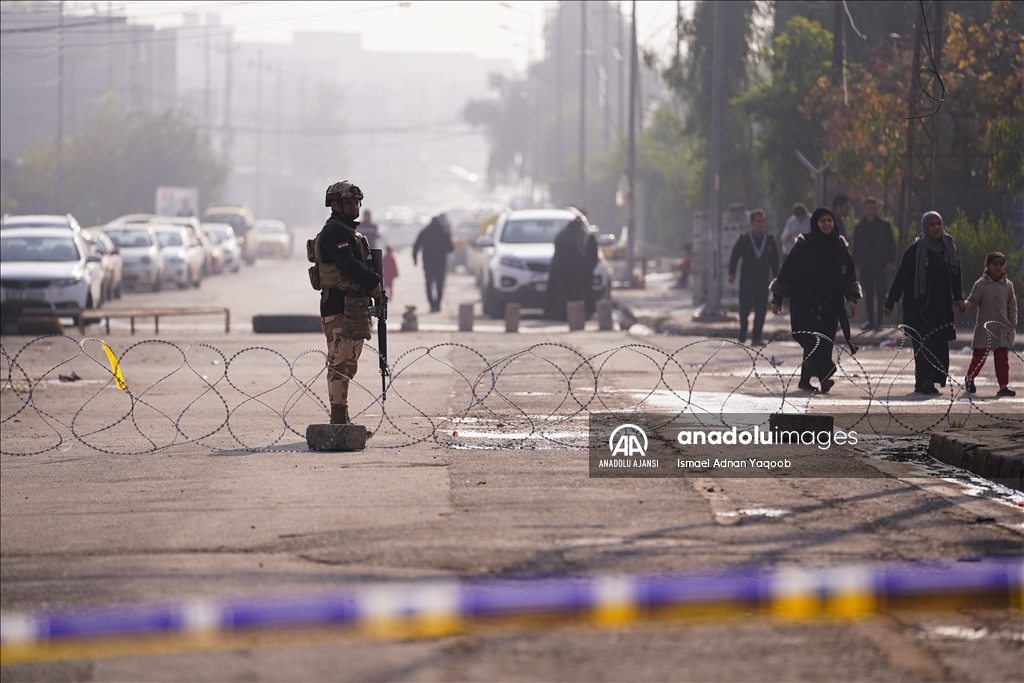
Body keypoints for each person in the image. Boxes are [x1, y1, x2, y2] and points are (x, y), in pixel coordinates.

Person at [312, 180, 382, 425]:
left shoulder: (349, 233)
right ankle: (339, 421)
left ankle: (341, 419)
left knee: (347, 361)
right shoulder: (335, 233)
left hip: (352, 306)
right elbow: (348, 265)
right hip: (339, 307)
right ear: (334, 205)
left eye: (356, 203)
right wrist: (374, 281)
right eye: (348, 203)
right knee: (341, 362)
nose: (354, 207)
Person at [770, 207, 861, 392]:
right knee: (813, 338)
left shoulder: (839, 247)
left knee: (824, 340)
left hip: (830, 302)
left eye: (829, 220)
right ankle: (825, 374)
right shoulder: (805, 245)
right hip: (804, 300)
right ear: (815, 224)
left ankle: (805, 380)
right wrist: (777, 298)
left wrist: (851, 298)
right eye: (822, 221)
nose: (827, 224)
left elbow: (849, 274)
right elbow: (787, 270)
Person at [883, 211, 965, 395]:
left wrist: (958, 297)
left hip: (941, 306)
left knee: (939, 343)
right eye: (932, 224)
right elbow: (901, 277)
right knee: (924, 343)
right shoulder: (915, 250)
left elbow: (955, 274)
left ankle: (923, 381)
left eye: (939, 224)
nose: (936, 227)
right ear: (925, 227)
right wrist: (890, 302)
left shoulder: (948, 248)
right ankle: (927, 380)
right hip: (917, 306)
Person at [963, 251, 1017, 396]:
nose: (998, 267)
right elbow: (972, 302)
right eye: (994, 264)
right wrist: (964, 305)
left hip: (1002, 329)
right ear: (988, 265)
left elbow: (1012, 307)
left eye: (1001, 264)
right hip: (984, 329)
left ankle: (1003, 386)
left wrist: (1012, 323)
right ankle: (969, 379)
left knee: (1002, 360)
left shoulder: (1008, 286)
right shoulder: (981, 284)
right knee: (979, 357)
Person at [728, 209, 779, 345]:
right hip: (746, 281)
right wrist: (731, 273)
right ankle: (743, 330)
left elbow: (775, 261)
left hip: (763, 282)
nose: (761, 224)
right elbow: (735, 257)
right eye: (758, 221)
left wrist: (777, 280)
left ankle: (756, 337)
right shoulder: (744, 240)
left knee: (761, 310)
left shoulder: (769, 240)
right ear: (751, 223)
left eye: (762, 221)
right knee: (744, 308)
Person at [852, 197, 896, 330]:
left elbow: (891, 244)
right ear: (865, 209)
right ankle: (870, 321)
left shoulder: (884, 225)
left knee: (881, 294)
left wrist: (890, 261)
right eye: (871, 208)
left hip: (881, 264)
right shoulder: (860, 227)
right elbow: (856, 248)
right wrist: (856, 265)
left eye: (875, 208)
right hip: (866, 265)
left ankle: (879, 322)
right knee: (868, 294)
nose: (873, 210)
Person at [545, 215, 599, 320]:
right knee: (577, 295)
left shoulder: (561, 234)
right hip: (577, 272)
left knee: (560, 295)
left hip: (559, 272)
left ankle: (559, 314)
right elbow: (591, 256)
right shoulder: (583, 236)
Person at [412, 214, 454, 312]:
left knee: (429, 284)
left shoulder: (425, 231)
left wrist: (414, 258)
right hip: (441, 262)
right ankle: (437, 305)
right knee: (440, 285)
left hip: (428, 262)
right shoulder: (444, 232)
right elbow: (451, 248)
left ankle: (432, 305)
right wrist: (442, 250)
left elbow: (416, 245)